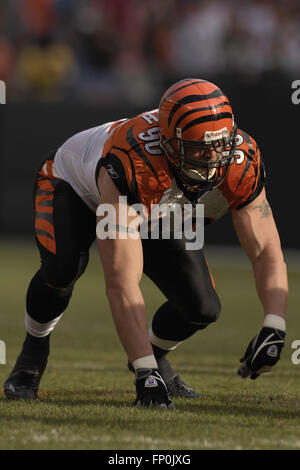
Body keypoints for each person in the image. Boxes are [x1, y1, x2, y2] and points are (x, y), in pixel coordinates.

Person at [4, 79, 288, 407]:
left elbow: (265, 249)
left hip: (159, 204)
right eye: (198, 150)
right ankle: (32, 354)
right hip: (72, 185)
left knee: (200, 309)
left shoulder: (242, 160)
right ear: (169, 144)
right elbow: (121, 281)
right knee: (62, 269)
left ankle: (156, 355)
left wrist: (274, 323)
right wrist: (144, 374)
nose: (211, 161)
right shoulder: (132, 163)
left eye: (219, 146)